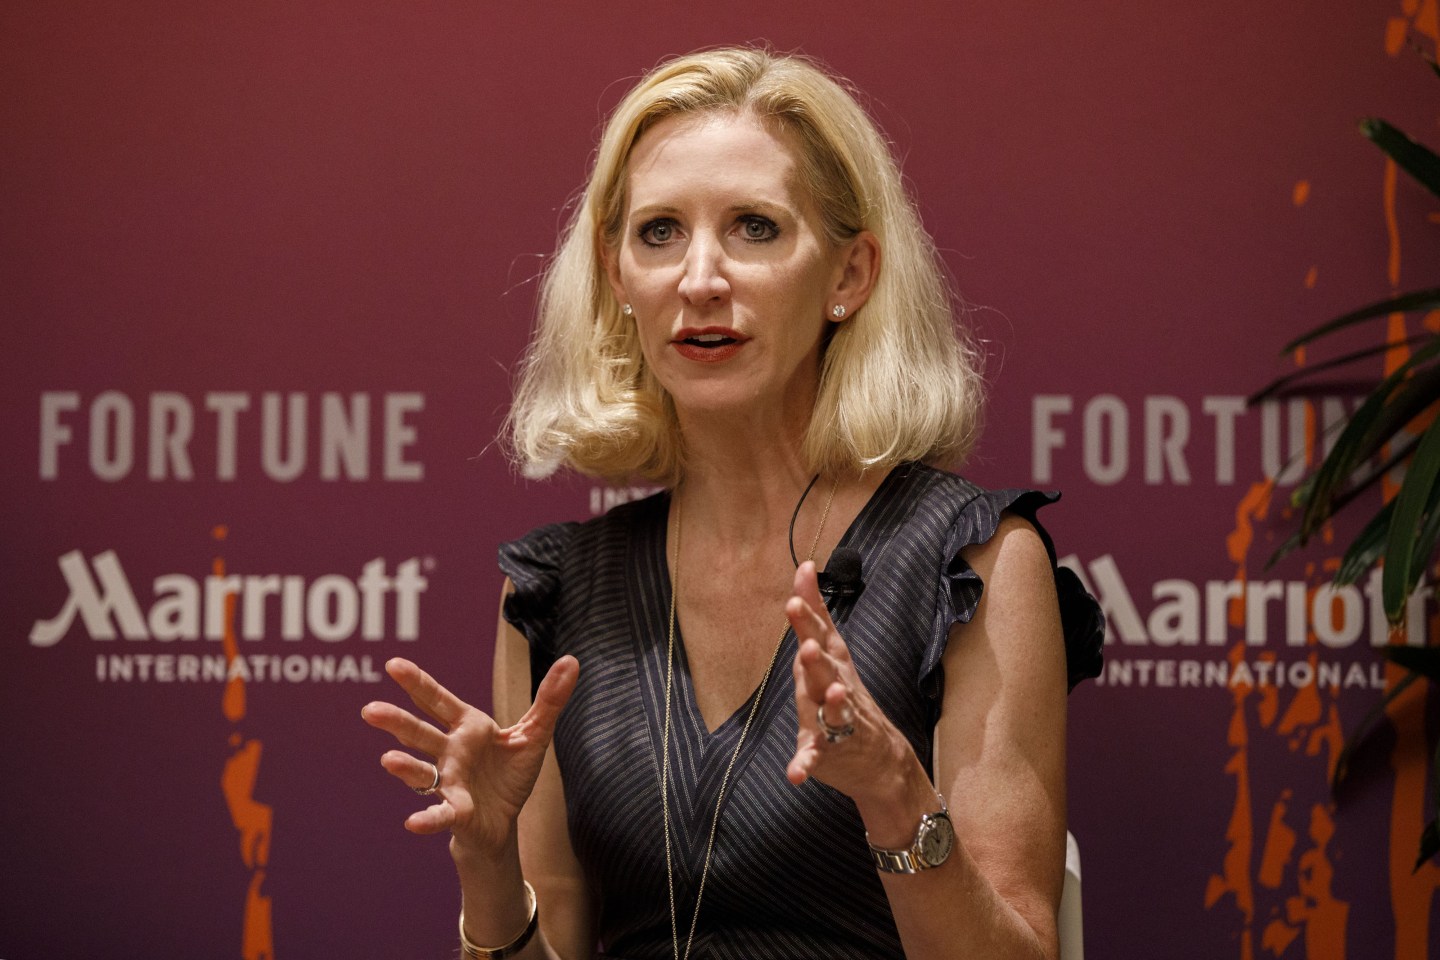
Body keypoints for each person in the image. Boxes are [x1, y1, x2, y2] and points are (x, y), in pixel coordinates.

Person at [362, 46, 1103, 960]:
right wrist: (486, 869)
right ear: (617, 278)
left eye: (754, 228)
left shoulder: (973, 561)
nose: (699, 278)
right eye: (659, 232)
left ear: (849, 276)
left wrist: (896, 797)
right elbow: (544, 929)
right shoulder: (554, 593)